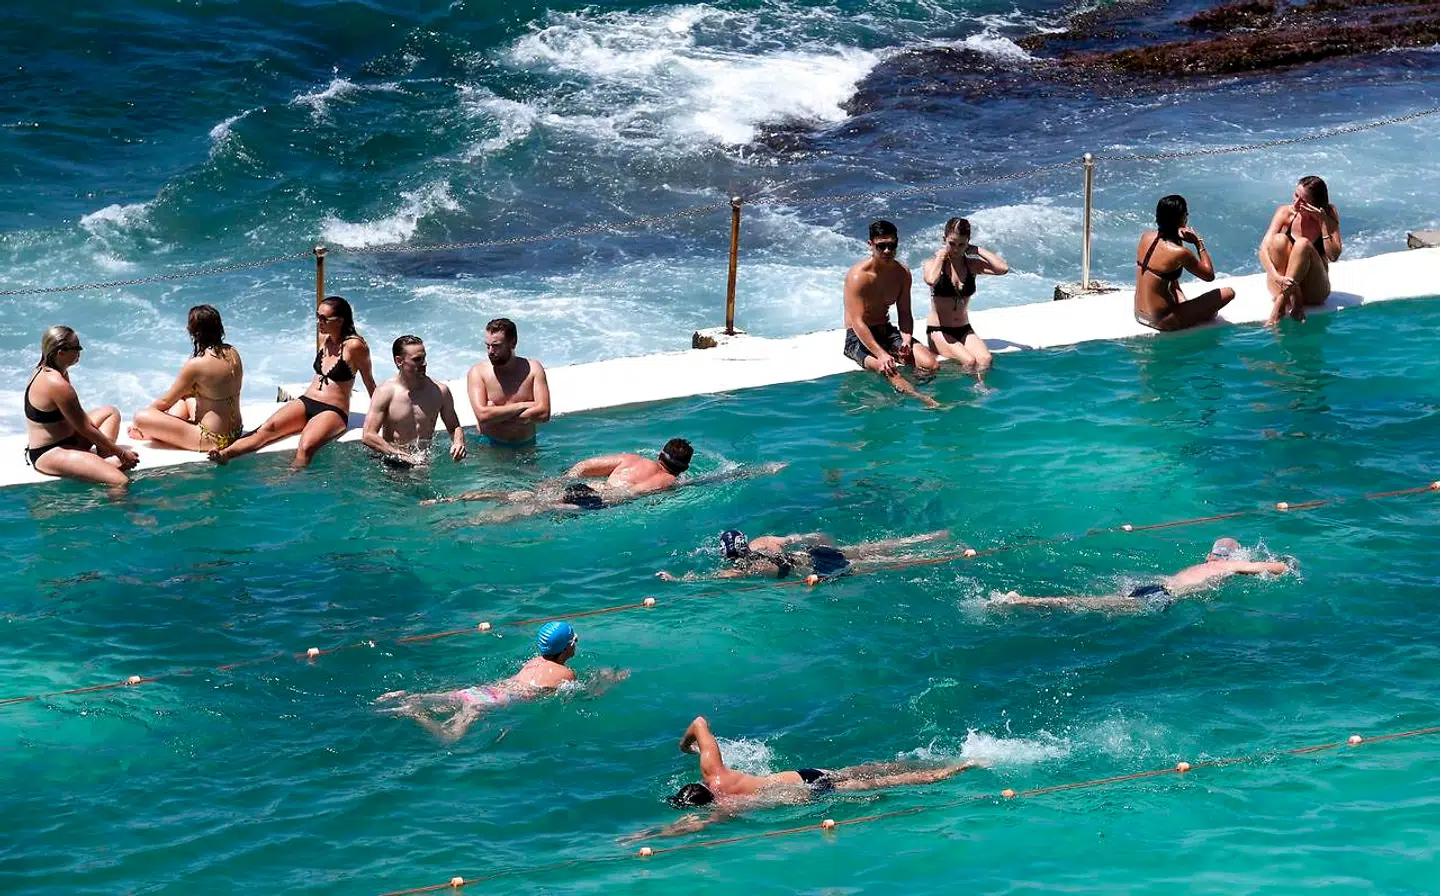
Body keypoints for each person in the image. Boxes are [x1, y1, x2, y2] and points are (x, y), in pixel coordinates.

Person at [635, 716, 978, 838]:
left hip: (815, 791)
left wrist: (649, 835)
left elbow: (693, 828)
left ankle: (942, 773)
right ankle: (934, 763)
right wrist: (685, 746)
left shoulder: (725, 808)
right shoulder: (715, 773)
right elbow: (699, 722)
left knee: (880, 784)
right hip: (806, 774)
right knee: (871, 771)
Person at [376, 622, 626, 742]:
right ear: (566, 648)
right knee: (449, 737)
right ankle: (415, 713)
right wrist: (609, 681)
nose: (576, 645)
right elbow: (581, 696)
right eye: (575, 641)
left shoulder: (533, 661)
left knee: (445, 701)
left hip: (481, 691)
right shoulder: (566, 673)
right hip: (491, 703)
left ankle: (408, 698)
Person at [209, 296, 376, 469]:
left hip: (333, 410)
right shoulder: (323, 338)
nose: (318, 322)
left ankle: (289, 478)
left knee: (306, 446)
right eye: (317, 316)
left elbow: (369, 382)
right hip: (307, 401)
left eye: (323, 318)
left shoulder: (355, 346)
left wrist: (379, 417)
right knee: (267, 428)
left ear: (340, 321)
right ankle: (226, 453)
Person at [994, 538, 1292, 612]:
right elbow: (1276, 568)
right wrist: (1286, 565)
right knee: (1089, 604)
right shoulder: (1227, 567)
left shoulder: (1201, 565)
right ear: (1232, 558)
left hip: (1155, 585)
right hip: (1161, 596)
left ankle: (1029, 601)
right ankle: (1025, 602)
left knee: (1098, 601)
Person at [22, 326, 139, 486]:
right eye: (77, 348)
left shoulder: (52, 371)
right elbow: (84, 428)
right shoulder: (56, 384)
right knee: (120, 481)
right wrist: (122, 454)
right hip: (49, 452)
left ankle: (103, 462)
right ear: (61, 352)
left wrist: (111, 449)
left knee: (110, 413)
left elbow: (81, 419)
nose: (80, 351)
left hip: (70, 439)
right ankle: (107, 471)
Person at [842, 220, 940, 407]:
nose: (887, 250)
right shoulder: (858, 277)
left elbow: (904, 312)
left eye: (892, 245)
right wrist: (881, 354)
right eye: (881, 246)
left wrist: (906, 339)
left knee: (931, 364)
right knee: (890, 371)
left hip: (886, 331)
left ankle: (912, 388)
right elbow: (857, 322)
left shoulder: (902, 273)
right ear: (870, 245)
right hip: (858, 337)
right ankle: (925, 401)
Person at [127, 305, 245, 452]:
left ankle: (155, 433)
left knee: (140, 417)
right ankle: (161, 432)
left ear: (195, 332)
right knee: (185, 398)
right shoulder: (232, 352)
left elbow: (165, 402)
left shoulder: (197, 364)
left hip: (212, 439)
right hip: (236, 432)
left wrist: (145, 423)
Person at [655, 528, 951, 582]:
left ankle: (945, 553)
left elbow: (707, 578)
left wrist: (676, 579)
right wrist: (816, 537)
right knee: (870, 547)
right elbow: (795, 538)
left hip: (813, 569)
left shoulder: (743, 569)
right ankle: (929, 537)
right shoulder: (763, 542)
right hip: (809, 553)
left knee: (881, 563)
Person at [1133, 195, 1235, 332]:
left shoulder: (1145, 236)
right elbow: (1209, 275)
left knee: (1171, 281)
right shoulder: (1180, 252)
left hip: (1139, 314)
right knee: (1228, 293)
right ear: (1182, 218)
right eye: (1186, 214)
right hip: (1163, 321)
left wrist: (1177, 235)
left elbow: (1168, 267)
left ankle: (1190, 311)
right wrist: (1198, 243)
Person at [361, 335, 466, 466]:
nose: (424, 363)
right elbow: (368, 435)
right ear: (399, 361)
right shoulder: (385, 392)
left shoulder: (440, 391)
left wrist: (458, 442)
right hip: (394, 462)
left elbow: (454, 426)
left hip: (425, 461)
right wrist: (401, 456)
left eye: (424, 358)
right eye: (417, 359)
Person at [923, 217, 1008, 377]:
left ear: (967, 242)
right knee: (969, 361)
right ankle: (963, 389)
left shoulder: (971, 265)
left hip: (964, 329)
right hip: (939, 331)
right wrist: (941, 257)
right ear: (944, 240)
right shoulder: (933, 264)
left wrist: (977, 250)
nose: (956, 249)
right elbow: (931, 280)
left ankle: (980, 387)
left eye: (961, 244)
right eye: (952, 243)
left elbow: (1002, 269)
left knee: (986, 359)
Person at [1260, 175, 1342, 325]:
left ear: (1315, 204)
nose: (1296, 202)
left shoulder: (1329, 213)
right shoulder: (1285, 212)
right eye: (1295, 195)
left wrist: (1323, 223)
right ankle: (1292, 297)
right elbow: (1263, 249)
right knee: (1278, 240)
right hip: (1281, 284)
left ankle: (1281, 301)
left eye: (1303, 201)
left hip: (1314, 291)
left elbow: (1333, 255)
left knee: (1302, 244)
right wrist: (1276, 277)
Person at [467, 318, 550, 448]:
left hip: (526, 445)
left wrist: (495, 414)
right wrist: (525, 405)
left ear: (513, 343)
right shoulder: (478, 373)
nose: (490, 352)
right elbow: (483, 416)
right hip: (490, 445)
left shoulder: (533, 369)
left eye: (496, 346)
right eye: (487, 346)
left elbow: (544, 413)